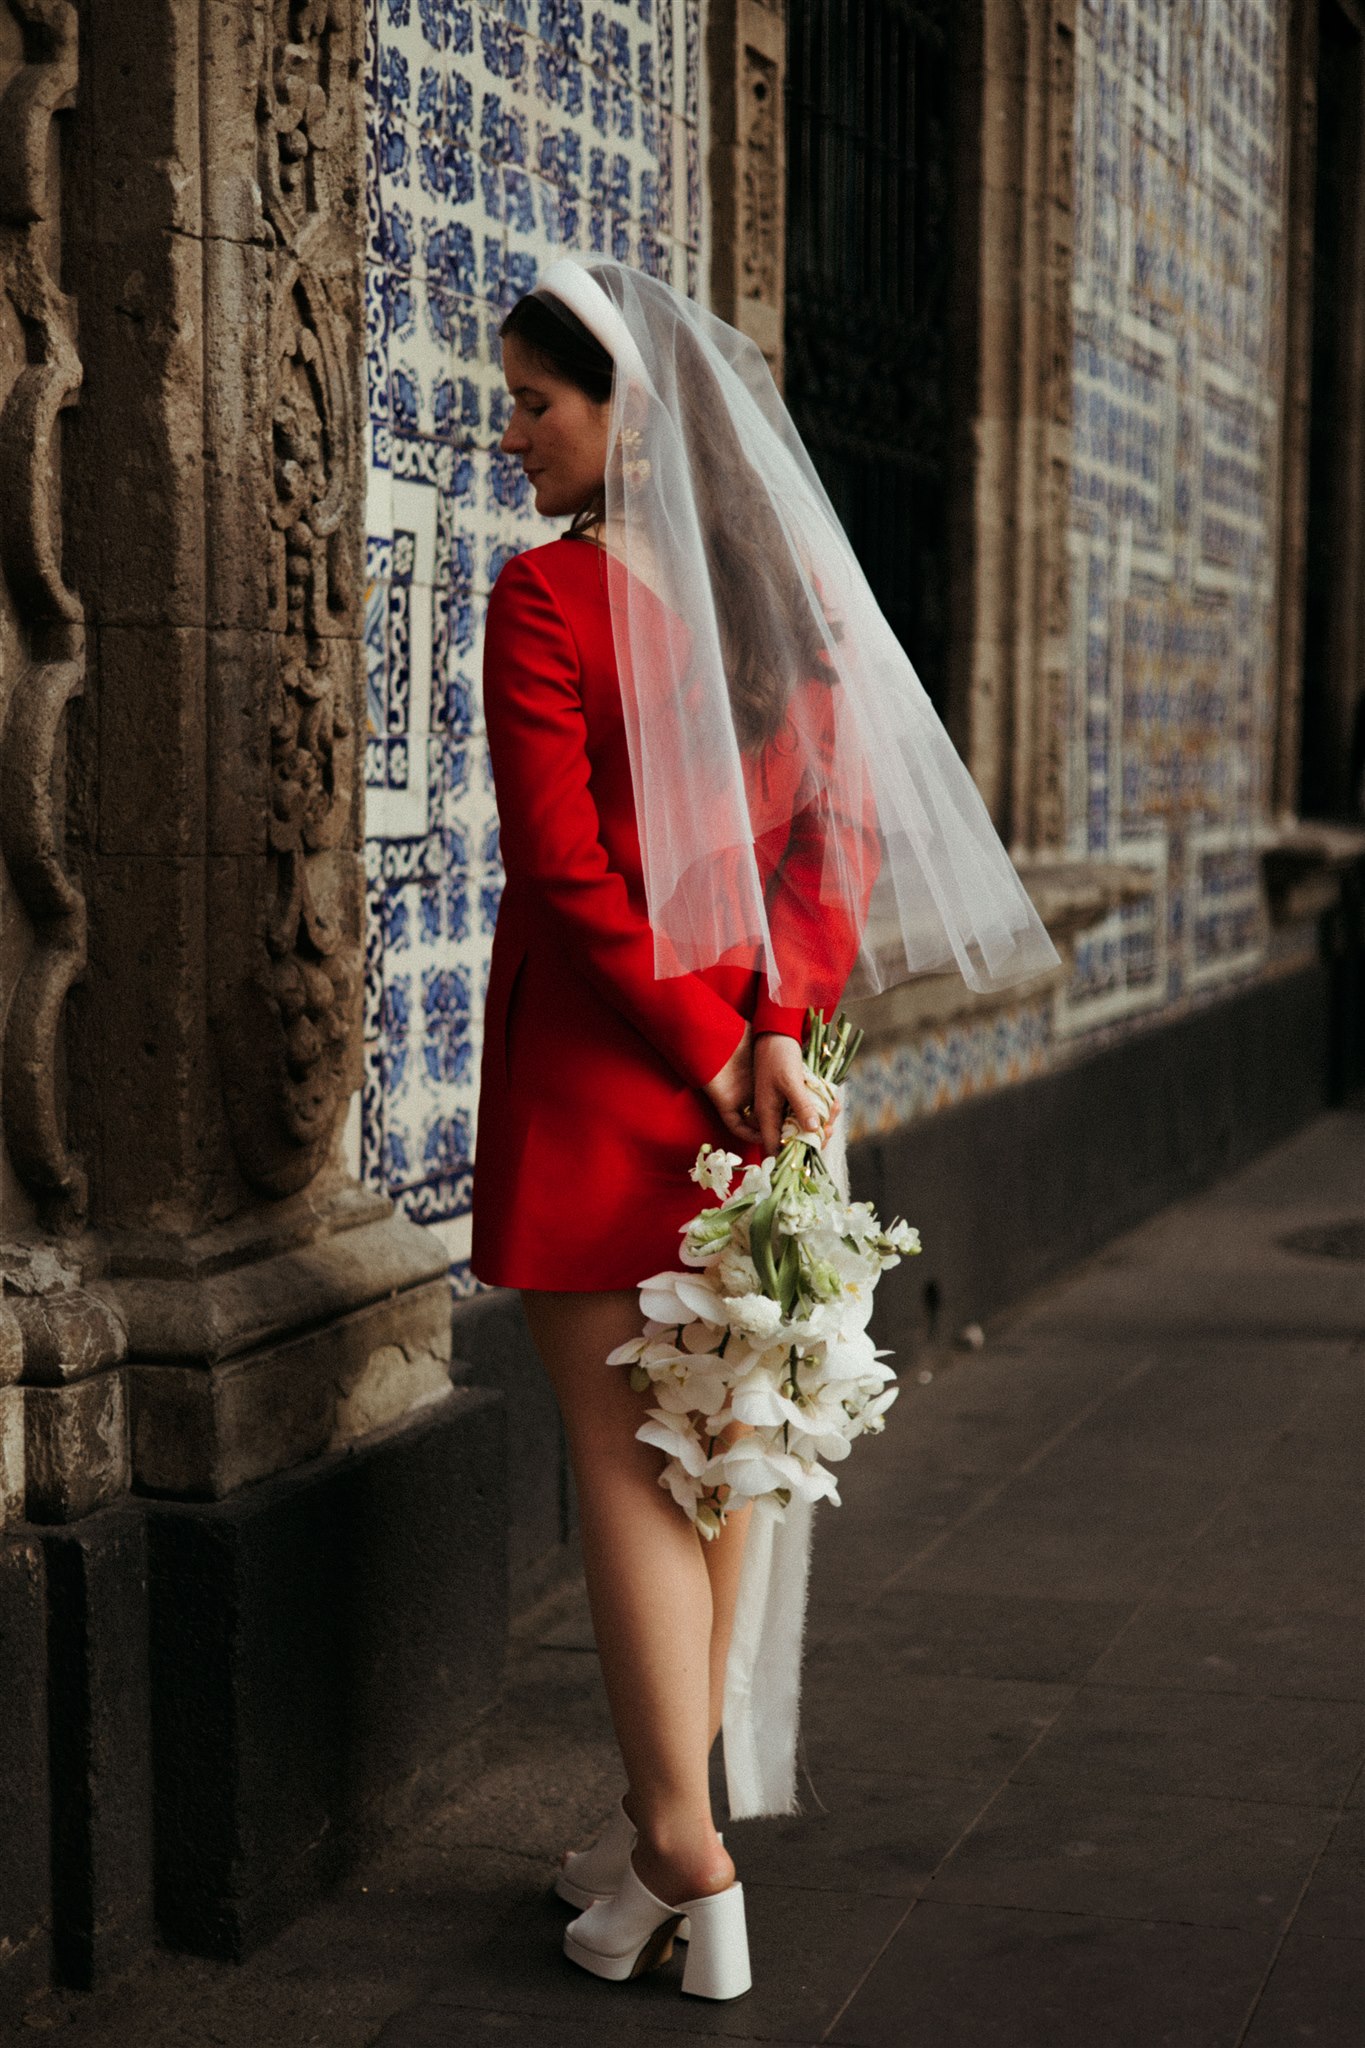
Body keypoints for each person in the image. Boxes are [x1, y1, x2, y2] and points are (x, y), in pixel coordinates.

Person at [469, 257, 1059, 2002]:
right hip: (765, 1097)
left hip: (603, 1088)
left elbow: (563, 873)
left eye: (533, 404)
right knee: (713, 1468)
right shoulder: (790, 614)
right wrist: (765, 1042)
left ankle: (680, 1848)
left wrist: (697, 1048)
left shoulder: (544, 604)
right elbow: (839, 856)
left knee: (621, 1472)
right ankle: (654, 1849)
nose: (510, 438)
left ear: (622, 414)